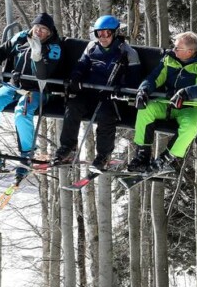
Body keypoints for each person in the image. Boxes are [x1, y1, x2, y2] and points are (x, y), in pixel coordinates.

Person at [0, 12, 63, 173]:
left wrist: (37, 56)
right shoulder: (21, 37)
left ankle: (27, 155)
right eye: (36, 27)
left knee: (22, 111)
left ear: (50, 32)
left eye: (43, 29)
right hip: (14, 85)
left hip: (38, 89)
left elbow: (43, 75)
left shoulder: (54, 48)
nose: (38, 31)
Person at [51, 14, 141, 170]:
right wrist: (76, 77)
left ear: (115, 33)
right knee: (73, 106)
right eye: (99, 33)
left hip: (111, 97)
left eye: (107, 33)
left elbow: (135, 79)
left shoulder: (128, 53)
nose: (103, 37)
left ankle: (103, 155)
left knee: (105, 115)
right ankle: (68, 147)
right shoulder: (92, 47)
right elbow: (81, 66)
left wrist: (122, 89)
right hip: (90, 92)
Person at [126, 31, 197, 176]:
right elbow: (155, 77)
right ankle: (142, 154)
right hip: (167, 102)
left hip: (190, 106)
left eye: (177, 48)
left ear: (190, 51)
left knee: (191, 126)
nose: (173, 50)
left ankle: (166, 158)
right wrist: (143, 90)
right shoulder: (170, 58)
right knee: (146, 109)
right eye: (174, 47)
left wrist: (186, 92)